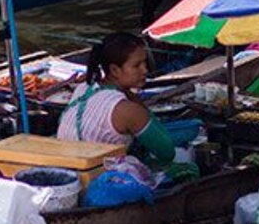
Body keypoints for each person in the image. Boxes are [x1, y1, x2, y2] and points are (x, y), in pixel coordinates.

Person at [56, 32, 180, 177]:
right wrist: (136, 101)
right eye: (136, 65)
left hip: (65, 172)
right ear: (115, 70)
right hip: (95, 181)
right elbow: (167, 152)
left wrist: (130, 95)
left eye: (144, 63)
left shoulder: (83, 88)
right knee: (185, 169)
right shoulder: (127, 110)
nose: (145, 70)